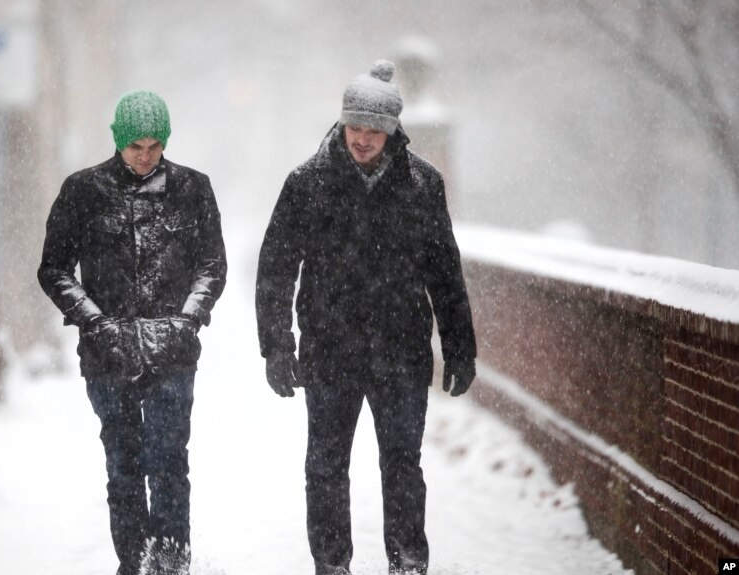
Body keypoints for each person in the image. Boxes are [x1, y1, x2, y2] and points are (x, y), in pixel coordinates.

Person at [255, 61, 477, 575]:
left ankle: (408, 563)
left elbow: (444, 271)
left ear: (393, 129)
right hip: (329, 351)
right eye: (355, 127)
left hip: (401, 352)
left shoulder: (423, 185)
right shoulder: (307, 183)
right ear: (342, 123)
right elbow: (276, 269)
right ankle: (332, 565)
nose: (362, 139)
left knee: (402, 467)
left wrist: (460, 345)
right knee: (326, 468)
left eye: (373, 130)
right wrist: (276, 345)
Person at [38, 90, 227, 575]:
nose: (145, 156)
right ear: (118, 141)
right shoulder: (83, 190)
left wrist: (186, 321)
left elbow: (212, 266)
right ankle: (132, 561)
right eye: (135, 146)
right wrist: (96, 323)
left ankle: (169, 565)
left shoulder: (193, 188)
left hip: (173, 351)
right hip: (108, 353)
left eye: (154, 145)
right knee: (123, 466)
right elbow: (55, 270)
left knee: (168, 463)